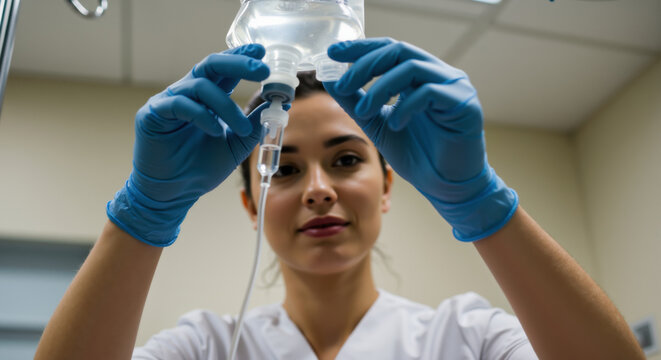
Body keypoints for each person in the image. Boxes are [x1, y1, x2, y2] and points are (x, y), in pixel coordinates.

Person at [34, 38, 644, 360]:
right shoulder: (205, 349)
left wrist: (484, 205)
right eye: (284, 167)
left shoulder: (466, 338)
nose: (320, 190)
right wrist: (142, 217)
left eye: (347, 159)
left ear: (387, 184)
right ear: (251, 204)